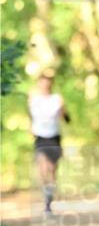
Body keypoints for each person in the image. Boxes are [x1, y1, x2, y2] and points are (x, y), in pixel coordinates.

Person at [29, 72, 69, 214]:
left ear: (51, 84)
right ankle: (45, 199)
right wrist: (31, 128)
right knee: (43, 168)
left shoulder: (57, 99)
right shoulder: (34, 98)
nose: (45, 85)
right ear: (39, 83)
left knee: (52, 169)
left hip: (54, 137)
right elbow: (30, 115)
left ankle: (49, 198)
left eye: (47, 82)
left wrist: (63, 112)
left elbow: (66, 117)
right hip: (40, 138)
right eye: (42, 82)